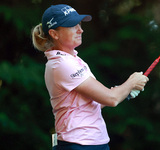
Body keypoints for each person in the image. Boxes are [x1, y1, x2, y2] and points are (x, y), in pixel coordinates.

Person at [31, 4, 149, 150]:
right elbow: (111, 99)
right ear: (54, 34)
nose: (80, 30)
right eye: (72, 26)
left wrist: (124, 92)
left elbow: (93, 102)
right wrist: (131, 82)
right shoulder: (62, 64)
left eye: (79, 24)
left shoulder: (72, 60)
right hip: (79, 144)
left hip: (93, 143)